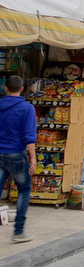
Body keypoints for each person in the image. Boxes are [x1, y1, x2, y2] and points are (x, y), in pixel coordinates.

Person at [0, 76, 37, 243]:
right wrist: (33, 158)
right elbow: (29, 137)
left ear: (5, 88)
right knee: (24, 190)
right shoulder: (27, 108)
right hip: (17, 156)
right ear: (22, 89)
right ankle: (18, 232)